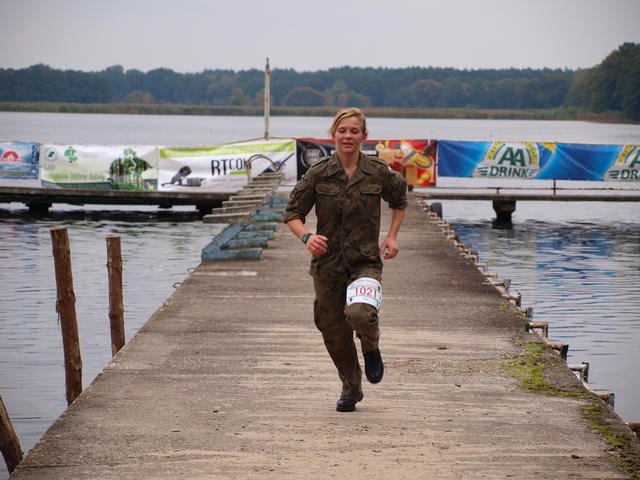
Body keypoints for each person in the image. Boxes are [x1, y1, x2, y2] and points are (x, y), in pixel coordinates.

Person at [283, 108, 407, 412]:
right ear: (333, 135)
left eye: (354, 131)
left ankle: (371, 347)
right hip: (327, 265)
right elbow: (292, 214)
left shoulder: (377, 171)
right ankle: (351, 389)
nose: (348, 136)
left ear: (364, 136)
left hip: (365, 261)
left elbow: (399, 201)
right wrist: (307, 237)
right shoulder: (319, 172)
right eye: (342, 130)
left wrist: (392, 237)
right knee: (333, 330)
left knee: (360, 313)